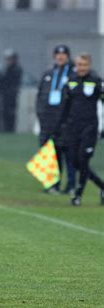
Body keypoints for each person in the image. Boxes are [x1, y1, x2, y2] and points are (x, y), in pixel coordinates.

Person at [55, 53, 104, 206]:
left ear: (89, 65)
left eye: (84, 65)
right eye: (79, 65)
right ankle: (102, 186)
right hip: (72, 128)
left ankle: (77, 195)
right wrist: (58, 126)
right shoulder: (71, 81)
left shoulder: (96, 81)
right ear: (76, 66)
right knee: (76, 162)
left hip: (89, 128)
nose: (82, 68)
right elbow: (65, 106)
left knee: (83, 159)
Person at [36, 45, 76, 194]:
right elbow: (40, 97)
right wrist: (40, 115)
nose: (60, 57)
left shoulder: (73, 74)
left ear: (68, 56)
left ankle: (71, 185)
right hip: (48, 121)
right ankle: (52, 184)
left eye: (63, 54)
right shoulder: (48, 74)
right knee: (50, 153)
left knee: (68, 153)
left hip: (66, 121)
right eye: (58, 54)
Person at [0, 49, 22, 133]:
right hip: (5, 94)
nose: (9, 61)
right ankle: (6, 129)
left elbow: (13, 81)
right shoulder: (5, 69)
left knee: (11, 112)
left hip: (12, 94)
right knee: (4, 112)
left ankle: (11, 129)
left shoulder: (16, 69)